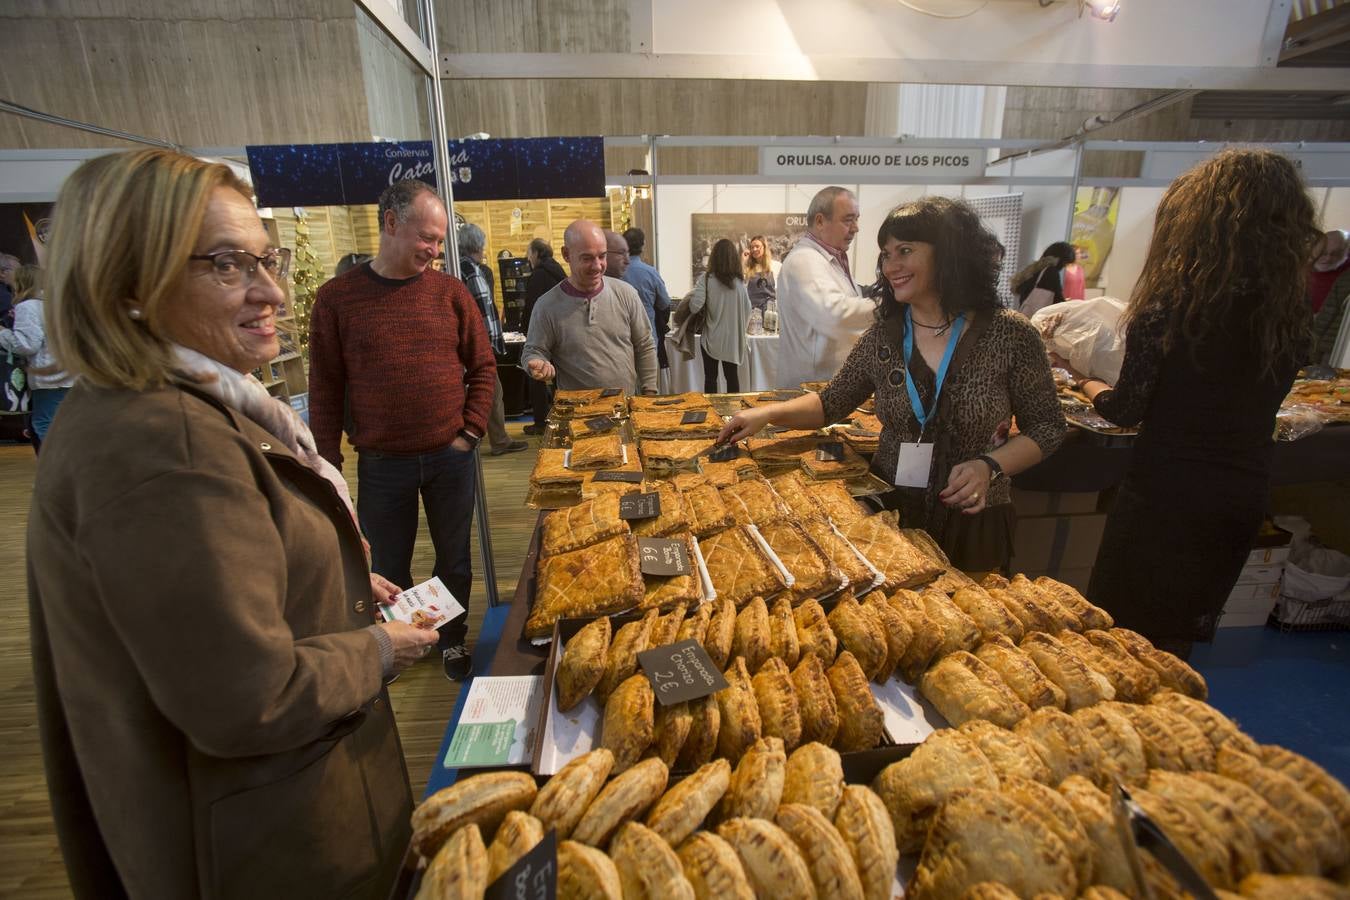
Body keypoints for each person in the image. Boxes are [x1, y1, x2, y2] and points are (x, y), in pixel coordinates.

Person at [29, 149, 437, 899]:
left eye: (266, 259)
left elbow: (221, 600)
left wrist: (332, 585)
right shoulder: (163, 441)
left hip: (273, 818)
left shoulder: (180, 408)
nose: (272, 290)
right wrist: (378, 648)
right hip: (259, 845)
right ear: (126, 283)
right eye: (228, 265)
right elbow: (250, 698)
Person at [720, 197, 1065, 572]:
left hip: (973, 521)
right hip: (891, 515)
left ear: (949, 253)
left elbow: (1047, 426)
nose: (890, 266)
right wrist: (765, 414)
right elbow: (829, 404)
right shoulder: (883, 338)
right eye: (885, 254)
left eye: (905, 250)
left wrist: (990, 465)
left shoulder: (1009, 334)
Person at [1066, 149, 1319, 657]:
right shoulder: (1288, 317)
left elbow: (1124, 410)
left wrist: (1083, 381)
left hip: (1164, 496)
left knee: (1121, 641)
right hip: (1238, 494)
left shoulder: (1170, 310)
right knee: (1178, 639)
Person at [309, 178, 496, 682]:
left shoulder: (450, 293)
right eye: (427, 238)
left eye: (440, 241)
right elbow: (325, 391)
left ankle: (452, 639)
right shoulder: (336, 300)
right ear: (390, 223)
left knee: (453, 559)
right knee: (387, 566)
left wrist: (471, 433)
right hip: (380, 462)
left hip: (449, 457)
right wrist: (325, 470)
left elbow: (483, 367)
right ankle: (403, 641)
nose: (435, 251)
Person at [522, 219, 659, 395]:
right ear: (566, 254)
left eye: (602, 256)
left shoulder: (626, 294)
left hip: (625, 409)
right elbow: (533, 351)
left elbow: (644, 345)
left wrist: (649, 391)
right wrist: (537, 363)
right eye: (587, 258)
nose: (597, 266)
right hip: (576, 414)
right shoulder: (546, 306)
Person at [775, 186, 874, 388]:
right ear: (820, 221)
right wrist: (890, 305)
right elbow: (835, 316)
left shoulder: (829, 260)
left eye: (856, 219)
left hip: (827, 390)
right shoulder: (804, 261)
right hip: (812, 392)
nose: (856, 228)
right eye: (848, 219)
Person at [457, 222, 527, 457]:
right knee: (492, 393)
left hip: (472, 347)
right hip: (478, 348)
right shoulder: (470, 270)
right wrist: (488, 345)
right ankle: (499, 441)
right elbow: (480, 311)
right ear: (478, 245)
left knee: (487, 392)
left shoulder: (462, 268)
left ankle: (491, 438)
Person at [0, 265, 73, 450]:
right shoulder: (59, 305)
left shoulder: (28, 306)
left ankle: (57, 468)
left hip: (47, 374)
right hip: (70, 372)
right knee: (63, 423)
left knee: (43, 423)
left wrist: (3, 334)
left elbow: (27, 345)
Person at [690, 238, 751, 393]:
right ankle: (733, 414)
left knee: (710, 378)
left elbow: (694, 307)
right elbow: (748, 310)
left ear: (714, 257)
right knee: (732, 378)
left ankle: (712, 413)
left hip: (711, 339)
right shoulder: (739, 284)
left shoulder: (706, 279)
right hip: (732, 340)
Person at [522, 237, 565, 434]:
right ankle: (560, 417)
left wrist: (525, 332)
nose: (527, 257)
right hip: (561, 333)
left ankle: (541, 422)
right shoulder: (559, 271)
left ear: (537, 254)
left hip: (542, 334)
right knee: (558, 379)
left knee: (537, 375)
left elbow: (531, 308)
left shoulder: (538, 275)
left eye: (529, 253)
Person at [621, 227, 672, 340]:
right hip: (647, 334)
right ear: (643, 245)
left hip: (622, 335)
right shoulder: (650, 272)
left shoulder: (615, 273)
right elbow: (664, 303)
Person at [1012, 241, 1076, 314]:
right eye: (1065, 262)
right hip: (1038, 319)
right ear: (1059, 259)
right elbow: (1057, 300)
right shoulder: (1051, 271)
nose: (1064, 266)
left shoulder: (1034, 269)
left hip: (1025, 317)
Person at [743, 234, 781, 311]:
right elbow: (742, 288)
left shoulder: (776, 266)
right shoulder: (747, 269)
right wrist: (743, 262)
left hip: (770, 313)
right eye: (752, 247)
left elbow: (782, 290)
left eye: (757, 246)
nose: (754, 249)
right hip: (753, 313)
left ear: (764, 247)